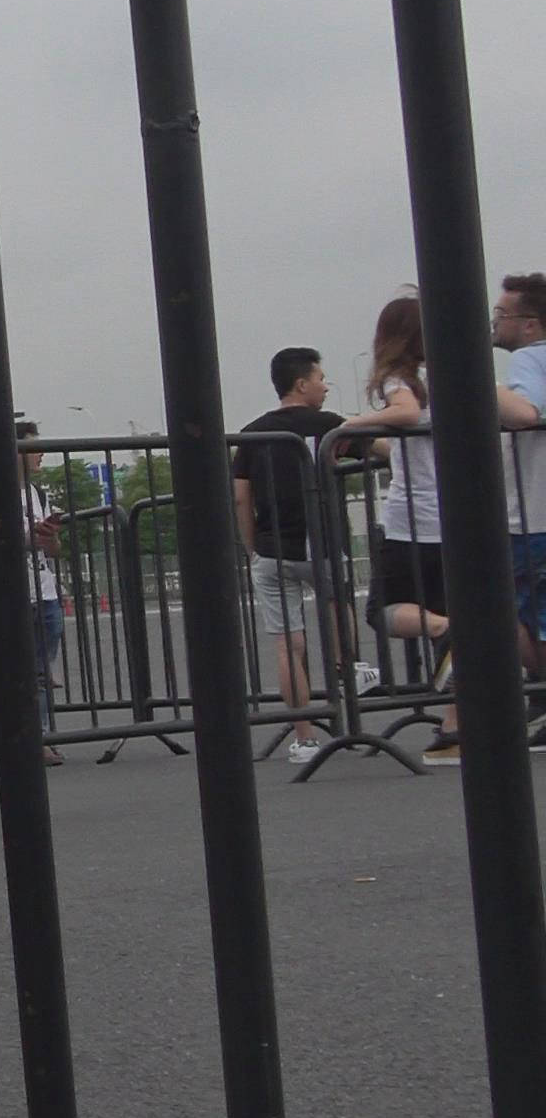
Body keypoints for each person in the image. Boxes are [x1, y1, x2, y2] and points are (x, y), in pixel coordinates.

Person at [335, 294, 454, 760]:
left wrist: (353, 424)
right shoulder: (443, 377)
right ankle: (455, 729)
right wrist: (374, 445)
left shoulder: (400, 380)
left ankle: (448, 629)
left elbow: (404, 413)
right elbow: (412, 441)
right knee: (448, 615)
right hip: (454, 515)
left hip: (413, 521)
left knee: (381, 610)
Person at [231, 346, 345, 769]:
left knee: (287, 644)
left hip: (272, 548)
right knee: (337, 606)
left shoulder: (252, 433)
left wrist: (251, 544)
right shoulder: (328, 426)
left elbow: (240, 496)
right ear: (301, 384)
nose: (325, 386)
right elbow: (382, 450)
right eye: (320, 378)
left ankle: (305, 736)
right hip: (321, 541)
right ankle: (350, 671)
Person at [0, 412, 65, 767]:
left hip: (43, 590)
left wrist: (49, 538)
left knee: (39, 672)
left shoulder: (38, 493)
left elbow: (53, 551)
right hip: (6, 592)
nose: (40, 454)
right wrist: (25, 536)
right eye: (33, 448)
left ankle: (39, 738)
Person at [492, 271, 546, 681]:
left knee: (524, 615)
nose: (494, 323)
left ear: (530, 325)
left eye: (500, 314)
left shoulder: (529, 359)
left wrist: (482, 380)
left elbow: (526, 412)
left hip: (533, 515)